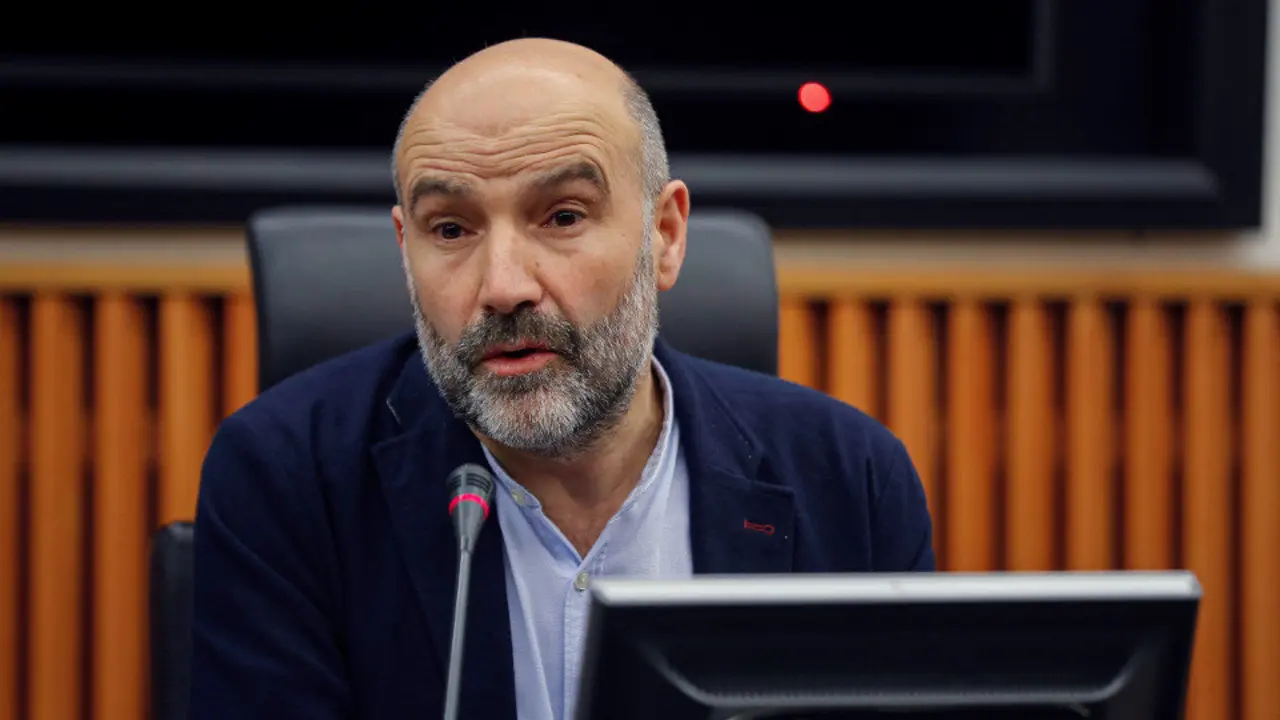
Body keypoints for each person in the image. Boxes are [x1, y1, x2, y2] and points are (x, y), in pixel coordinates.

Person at [189, 38, 934, 720]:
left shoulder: (849, 480)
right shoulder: (287, 477)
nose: (503, 286)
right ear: (405, 248)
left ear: (665, 235)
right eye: (450, 229)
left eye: (563, 216)